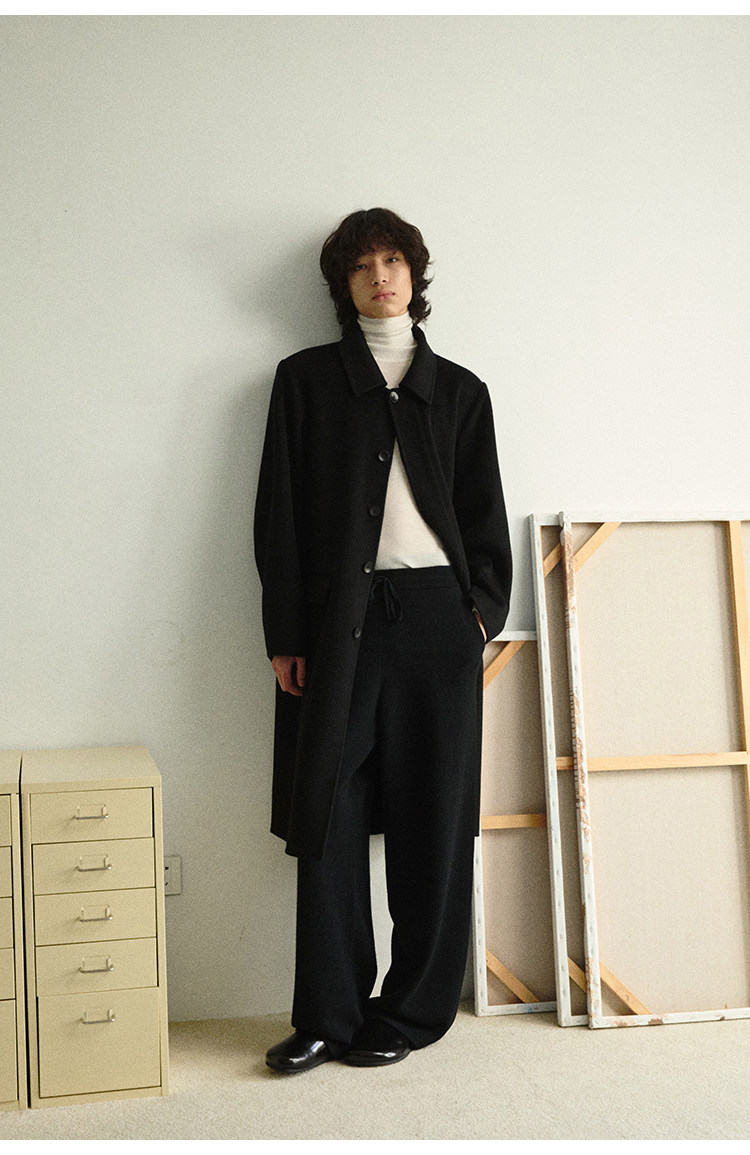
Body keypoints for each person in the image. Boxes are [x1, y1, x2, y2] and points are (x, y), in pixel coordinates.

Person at [254, 207, 512, 1074]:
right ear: (344, 284)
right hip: (339, 627)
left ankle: (411, 1011)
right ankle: (327, 1015)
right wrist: (286, 634)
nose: (379, 275)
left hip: (439, 623)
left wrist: (479, 615)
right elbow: (279, 518)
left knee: (432, 819)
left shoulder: (462, 392)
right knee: (327, 815)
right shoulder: (304, 382)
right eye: (362, 264)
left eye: (393, 259)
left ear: (413, 273)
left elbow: (485, 521)